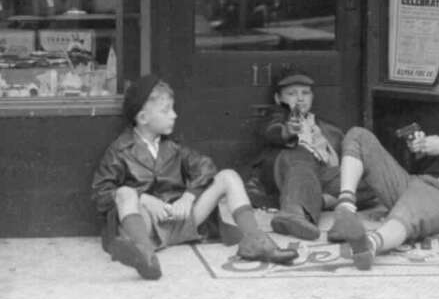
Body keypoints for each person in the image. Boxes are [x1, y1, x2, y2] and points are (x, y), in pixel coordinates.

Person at [92, 74, 299, 280]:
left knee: (229, 176)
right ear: (143, 118)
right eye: (166, 110)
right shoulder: (119, 150)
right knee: (125, 193)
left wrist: (188, 197)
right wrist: (143, 199)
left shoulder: (172, 147)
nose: (174, 115)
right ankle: (144, 255)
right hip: (148, 227)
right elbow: (101, 193)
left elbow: (206, 167)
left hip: (182, 220)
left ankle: (255, 240)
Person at [327, 56, 439, 270]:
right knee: (358, 136)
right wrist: (421, 150)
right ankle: (346, 207)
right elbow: (434, 165)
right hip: (416, 184)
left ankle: (370, 245)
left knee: (409, 211)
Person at [253, 67, 345, 241]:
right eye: (292, 93)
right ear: (278, 98)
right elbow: (272, 130)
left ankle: (317, 200)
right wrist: (288, 131)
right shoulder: (277, 117)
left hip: (322, 178)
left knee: (361, 174)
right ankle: (294, 212)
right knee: (301, 154)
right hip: (289, 171)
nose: (300, 98)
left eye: (306, 93)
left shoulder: (328, 128)